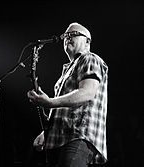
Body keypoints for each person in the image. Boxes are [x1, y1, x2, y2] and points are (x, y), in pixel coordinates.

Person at [27, 22, 108, 167]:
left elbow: (87, 93)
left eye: (73, 34)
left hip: (78, 135)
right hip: (59, 140)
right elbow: (62, 110)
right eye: (65, 36)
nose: (67, 38)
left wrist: (49, 102)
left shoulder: (89, 59)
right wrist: (46, 132)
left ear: (87, 41)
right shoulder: (66, 71)